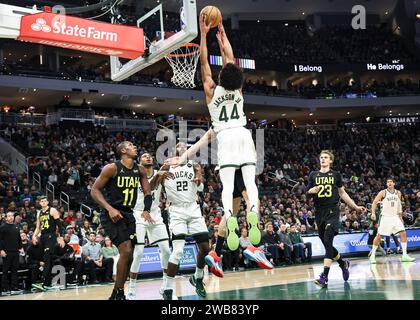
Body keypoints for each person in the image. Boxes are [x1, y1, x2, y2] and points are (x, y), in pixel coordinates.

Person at [199, 17, 262, 254]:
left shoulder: (210, 89)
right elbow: (231, 61)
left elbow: (204, 61)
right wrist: (223, 35)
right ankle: (253, 212)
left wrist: (204, 35)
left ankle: (229, 217)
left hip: (225, 136)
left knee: (227, 187)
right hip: (244, 134)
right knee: (250, 184)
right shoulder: (238, 89)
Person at [91, 141, 153, 300]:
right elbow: (94, 190)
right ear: (124, 150)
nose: (136, 147)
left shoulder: (139, 170)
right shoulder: (112, 168)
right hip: (112, 213)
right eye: (132, 146)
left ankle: (115, 292)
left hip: (129, 214)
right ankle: (120, 293)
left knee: (130, 255)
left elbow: (147, 192)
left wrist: (146, 209)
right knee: (125, 250)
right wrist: (109, 208)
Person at [307, 150, 366, 288]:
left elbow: (342, 193)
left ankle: (324, 277)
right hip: (319, 212)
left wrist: (356, 207)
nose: (323, 159)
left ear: (331, 160)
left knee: (328, 240)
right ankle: (342, 263)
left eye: (326, 157)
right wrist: (311, 191)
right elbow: (307, 192)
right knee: (327, 244)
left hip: (332, 210)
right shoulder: (313, 175)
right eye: (321, 157)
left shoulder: (335, 175)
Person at [161, 143, 209, 300]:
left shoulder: (194, 165)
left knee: (205, 247)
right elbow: (157, 181)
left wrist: (199, 181)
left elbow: (201, 188)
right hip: (176, 210)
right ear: (174, 150)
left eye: (185, 147)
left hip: (193, 208)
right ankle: (167, 289)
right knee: (178, 251)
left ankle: (198, 277)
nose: (182, 148)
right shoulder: (167, 165)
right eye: (179, 146)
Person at [128, 153, 172, 300]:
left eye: (150, 156)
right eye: (144, 156)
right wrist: (159, 174)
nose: (148, 157)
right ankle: (132, 288)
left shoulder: (160, 173)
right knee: (139, 252)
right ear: (139, 161)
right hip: (138, 214)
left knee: (166, 250)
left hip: (155, 214)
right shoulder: (135, 175)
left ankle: (166, 287)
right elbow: (150, 186)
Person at [369, 178, 415, 264]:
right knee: (379, 236)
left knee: (403, 233)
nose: (389, 183)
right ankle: (372, 256)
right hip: (385, 217)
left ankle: (404, 255)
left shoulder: (398, 193)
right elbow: (374, 202)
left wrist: (400, 218)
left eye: (391, 182)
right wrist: (373, 213)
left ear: (394, 183)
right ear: (386, 184)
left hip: (395, 217)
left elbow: (399, 206)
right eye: (387, 182)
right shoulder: (383, 192)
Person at [32, 196, 63, 291]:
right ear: (40, 203)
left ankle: (44, 282)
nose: (44, 202)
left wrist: (60, 237)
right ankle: (49, 283)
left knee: (47, 258)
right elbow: (38, 227)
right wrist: (34, 236)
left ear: (47, 202)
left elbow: (59, 225)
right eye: (42, 201)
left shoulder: (52, 210)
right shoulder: (39, 213)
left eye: (45, 201)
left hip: (51, 236)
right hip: (43, 237)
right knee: (48, 260)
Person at [0, 212, 23, 294]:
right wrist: (1, 250)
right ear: (6, 218)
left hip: (15, 252)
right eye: (9, 216)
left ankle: (14, 287)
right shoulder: (2, 227)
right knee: (5, 271)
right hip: (6, 252)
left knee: (15, 270)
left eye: (12, 216)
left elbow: (19, 238)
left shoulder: (16, 227)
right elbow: (0, 240)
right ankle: (4, 289)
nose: (11, 217)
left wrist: (20, 247)